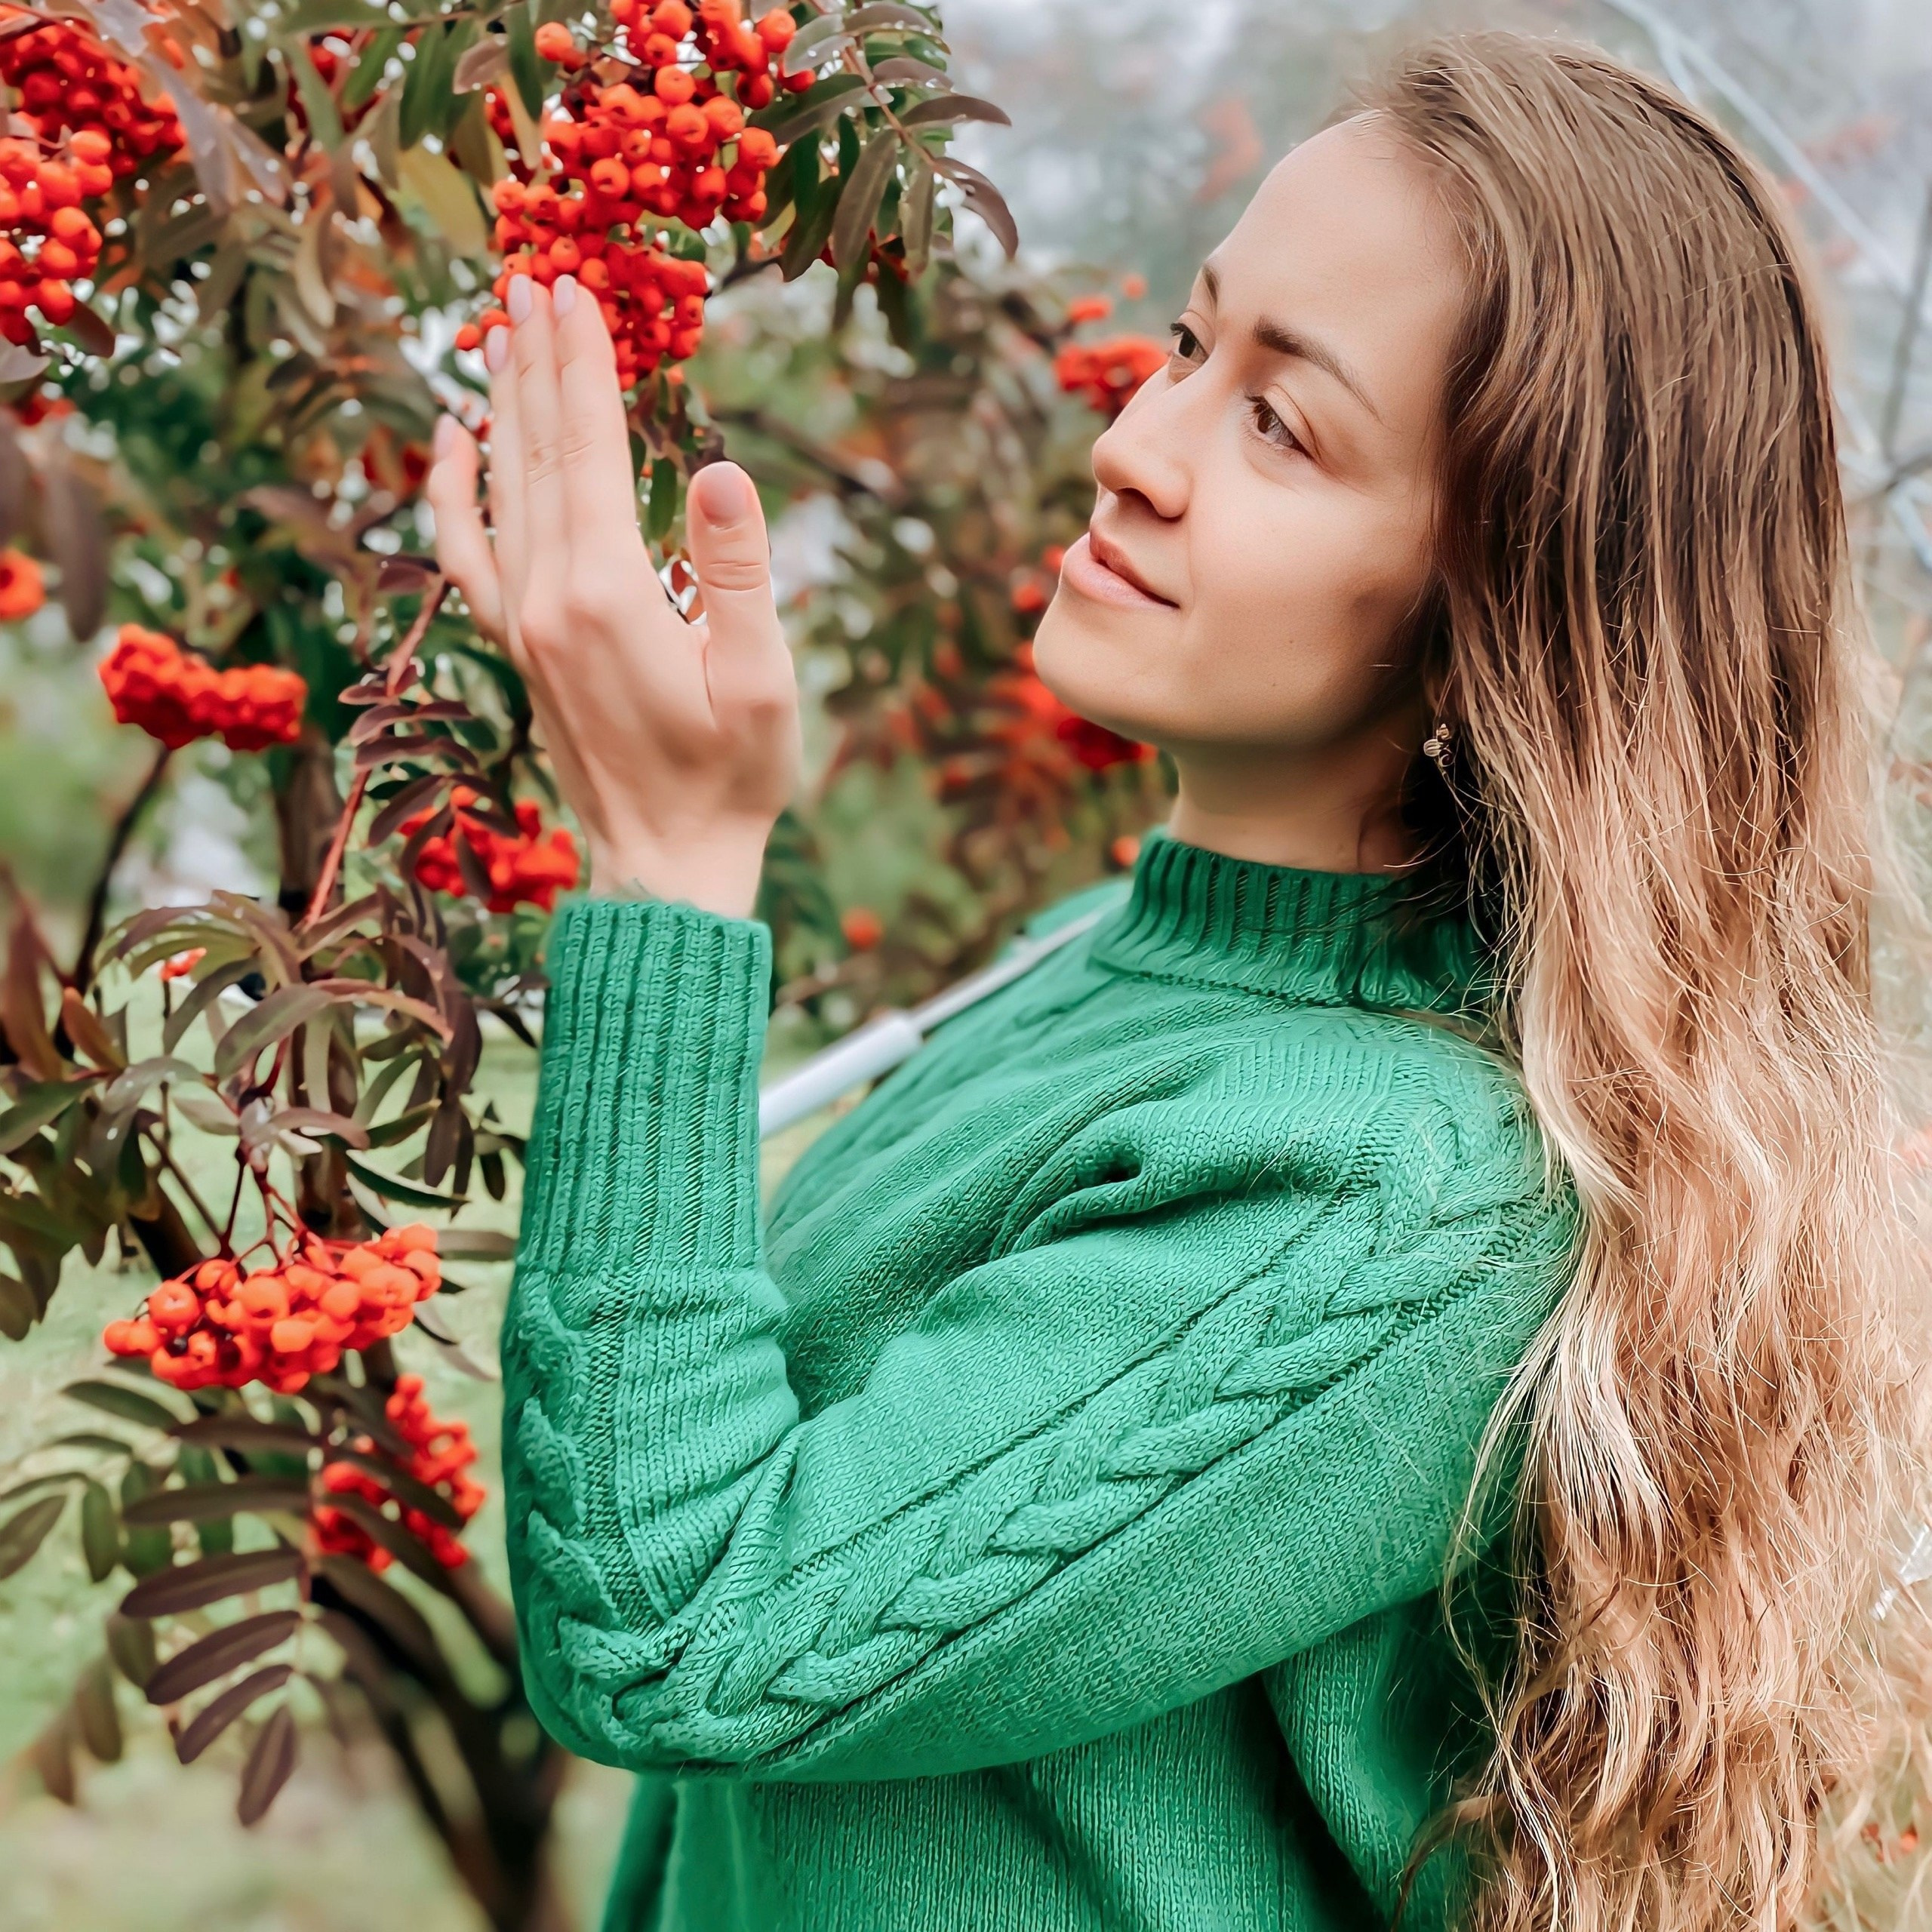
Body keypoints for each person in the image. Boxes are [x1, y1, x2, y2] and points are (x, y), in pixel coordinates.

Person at [424, 29, 1932, 1932]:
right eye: (1191, 348)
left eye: (1281, 426)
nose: (1134, 447)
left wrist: (665, 868)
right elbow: (756, 1770)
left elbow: (682, 1637)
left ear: (1506, 614)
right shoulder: (1126, 964)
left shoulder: (1384, 1193)